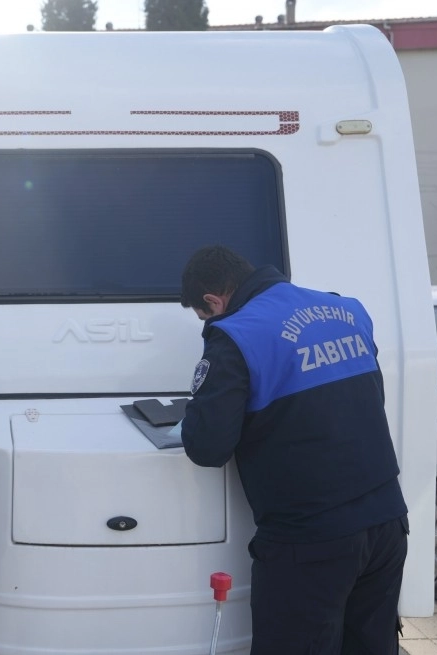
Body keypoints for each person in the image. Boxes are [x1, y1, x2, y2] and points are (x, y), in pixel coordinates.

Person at [179, 245, 408, 655]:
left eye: (204, 315)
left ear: (213, 301)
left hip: (311, 537)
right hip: (387, 521)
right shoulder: (347, 310)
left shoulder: (236, 334)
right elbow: (364, 398)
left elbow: (207, 447)